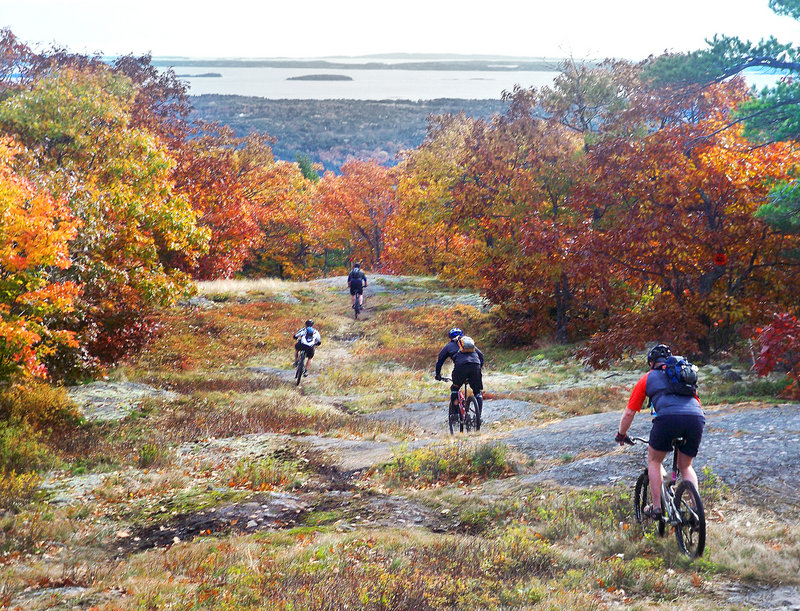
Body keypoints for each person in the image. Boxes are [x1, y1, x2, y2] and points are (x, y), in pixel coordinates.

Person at [615, 344, 705, 518]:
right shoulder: (683, 376)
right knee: (685, 466)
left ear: (651, 363)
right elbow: (696, 402)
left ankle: (657, 508)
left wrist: (621, 434)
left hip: (667, 419)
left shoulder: (647, 379)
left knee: (654, 461)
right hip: (696, 418)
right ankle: (697, 512)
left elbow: (629, 412)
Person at [435, 327, 485, 430]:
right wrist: (479, 368)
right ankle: (478, 417)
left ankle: (455, 414)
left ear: (450, 338)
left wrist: (438, 375)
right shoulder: (470, 345)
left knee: (455, 389)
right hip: (475, 366)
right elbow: (481, 355)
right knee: (477, 392)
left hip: (461, 368)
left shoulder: (449, 347)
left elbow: (440, 361)